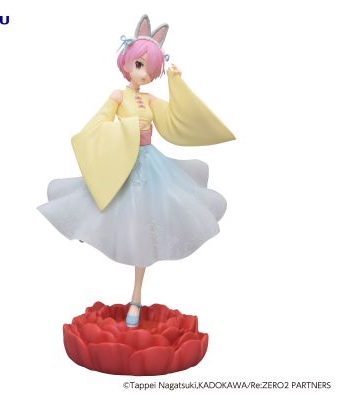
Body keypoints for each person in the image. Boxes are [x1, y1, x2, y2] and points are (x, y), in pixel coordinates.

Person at [36, 15, 235, 328]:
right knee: (107, 206)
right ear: (127, 62)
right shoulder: (118, 96)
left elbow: (175, 119)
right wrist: (125, 132)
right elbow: (95, 127)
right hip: (123, 164)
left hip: (150, 166)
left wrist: (176, 83)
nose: (144, 73)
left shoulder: (151, 99)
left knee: (146, 226)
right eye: (140, 65)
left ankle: (136, 297)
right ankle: (89, 231)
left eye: (150, 69)